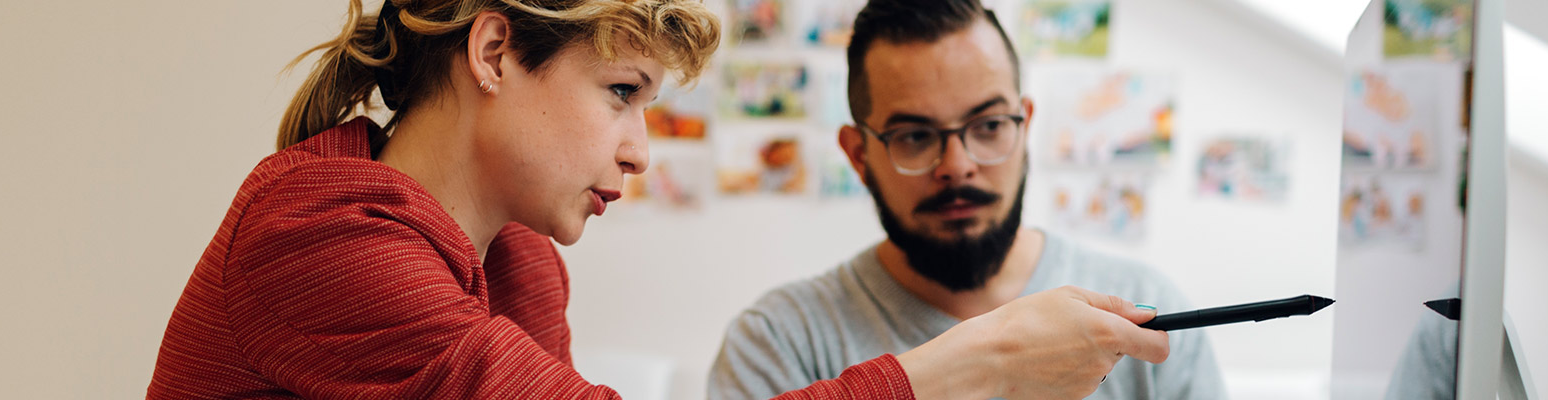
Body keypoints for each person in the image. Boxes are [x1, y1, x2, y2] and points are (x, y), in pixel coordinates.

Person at [148, 0, 1168, 398]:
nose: (639, 152)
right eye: (623, 94)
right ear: (495, 50)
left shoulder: (519, 258)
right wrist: (978, 363)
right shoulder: (318, 231)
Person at [708, 0, 1228, 399]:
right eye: (913, 135)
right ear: (858, 155)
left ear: (1025, 127)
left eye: (989, 125)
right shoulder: (779, 340)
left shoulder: (1143, 307)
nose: (957, 164)